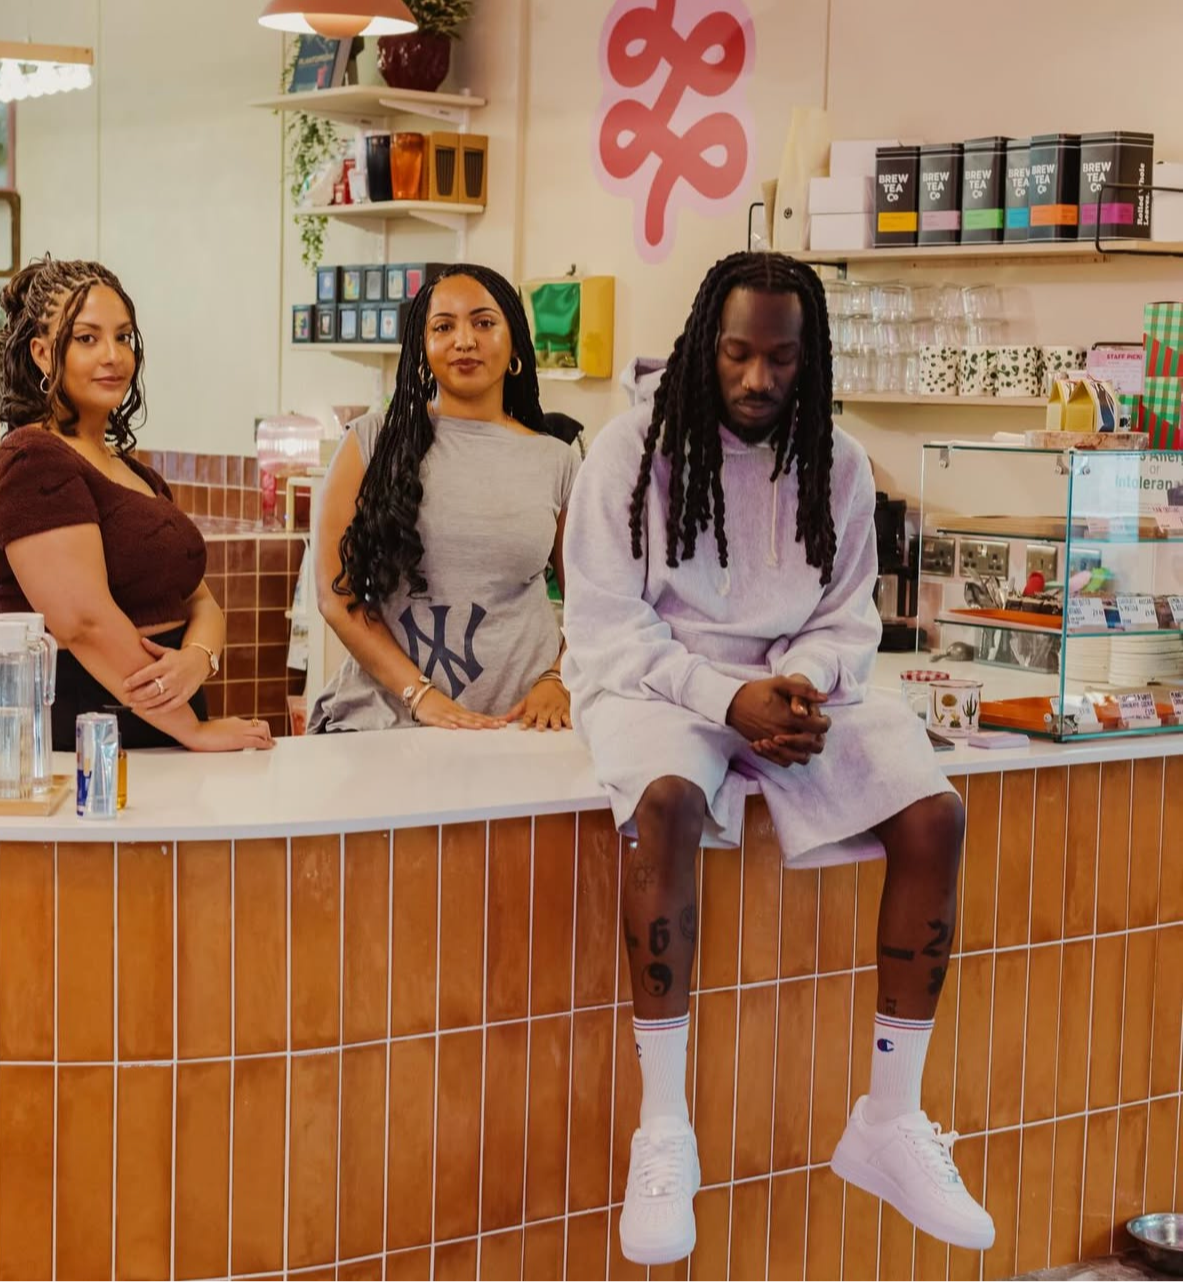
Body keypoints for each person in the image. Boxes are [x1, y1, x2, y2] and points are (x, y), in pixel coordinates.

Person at [561, 251, 993, 1265]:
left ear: (812, 358)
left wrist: (802, 681)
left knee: (935, 813)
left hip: (795, 691)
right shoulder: (628, 452)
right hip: (658, 686)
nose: (758, 379)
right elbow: (605, 626)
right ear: (704, 346)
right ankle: (664, 1129)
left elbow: (849, 615)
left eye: (782, 359)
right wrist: (728, 700)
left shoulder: (838, 464)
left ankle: (890, 1118)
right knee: (666, 803)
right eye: (738, 354)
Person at [0, 256, 274, 753]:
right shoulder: (31, 461)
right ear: (43, 354)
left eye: (123, 337)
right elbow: (84, 624)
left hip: (162, 726)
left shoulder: (132, 471)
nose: (112, 355)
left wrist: (198, 658)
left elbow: (200, 600)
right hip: (89, 736)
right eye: (87, 338)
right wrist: (191, 729)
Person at [309, 263, 578, 733]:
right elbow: (336, 596)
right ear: (422, 345)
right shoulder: (371, 442)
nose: (464, 341)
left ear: (515, 343)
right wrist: (420, 695)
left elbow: (593, 603)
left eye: (484, 323)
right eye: (443, 327)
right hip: (387, 722)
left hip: (520, 725)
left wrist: (559, 678)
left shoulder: (557, 460)